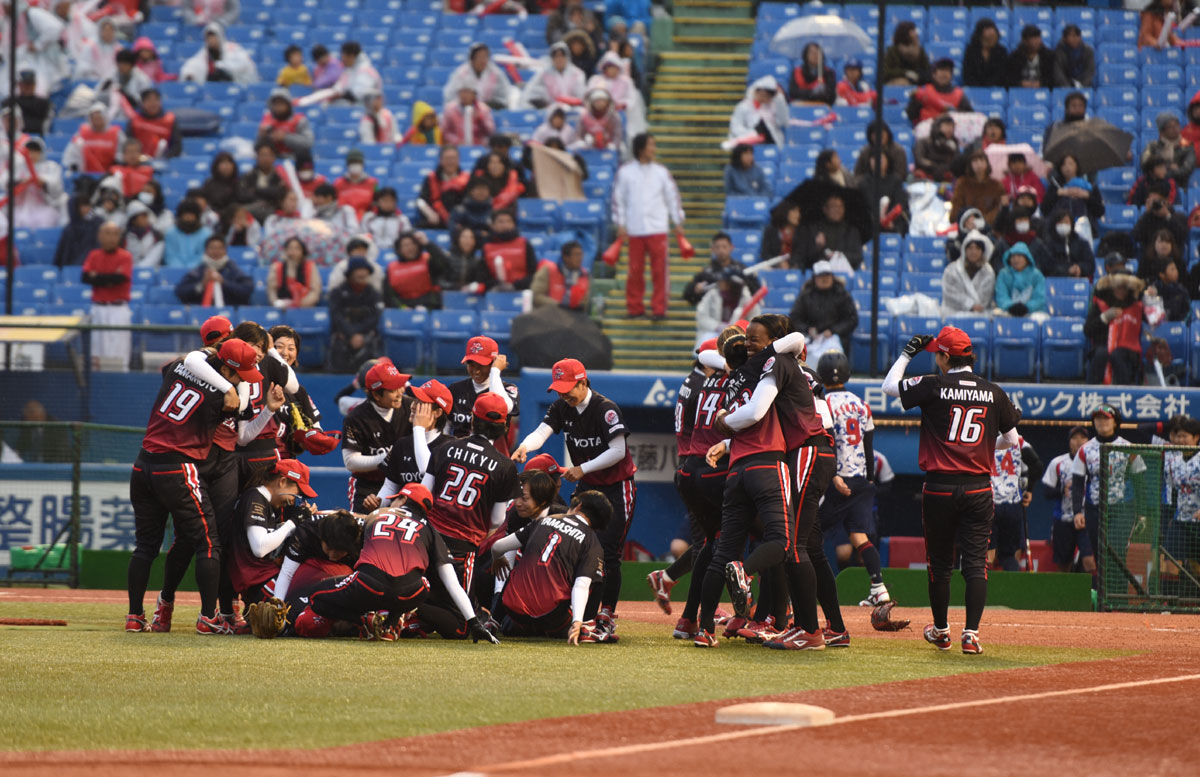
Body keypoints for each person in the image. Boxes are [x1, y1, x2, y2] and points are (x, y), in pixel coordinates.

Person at [882, 325, 1019, 653]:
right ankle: (970, 634)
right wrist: (985, 445)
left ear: (945, 356)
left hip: (940, 487)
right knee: (975, 564)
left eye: (938, 355)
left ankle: (942, 630)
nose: (936, 360)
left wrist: (906, 354)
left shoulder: (934, 384)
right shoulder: (994, 391)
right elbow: (1011, 441)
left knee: (940, 564)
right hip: (977, 488)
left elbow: (888, 387)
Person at [125, 339, 257, 634]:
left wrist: (229, 380)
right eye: (241, 375)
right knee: (208, 543)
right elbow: (244, 410)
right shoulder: (223, 398)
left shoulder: (177, 369)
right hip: (177, 467)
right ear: (226, 368)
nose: (244, 381)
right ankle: (208, 617)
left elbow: (193, 359)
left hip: (142, 464)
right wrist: (230, 388)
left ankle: (135, 616)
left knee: (145, 546)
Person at [512, 359, 638, 642]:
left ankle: (605, 615)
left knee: (609, 553)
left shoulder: (605, 409)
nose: (563, 395)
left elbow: (618, 451)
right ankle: (576, 613)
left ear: (584, 382)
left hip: (617, 488)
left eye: (568, 388)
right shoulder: (561, 408)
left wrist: (583, 467)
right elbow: (542, 432)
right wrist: (524, 446)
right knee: (573, 544)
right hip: (587, 485)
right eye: (558, 389)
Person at [291, 486, 499, 644]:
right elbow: (453, 582)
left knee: (316, 595)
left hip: (369, 583)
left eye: (395, 498)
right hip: (411, 591)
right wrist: (473, 622)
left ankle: (364, 619)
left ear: (403, 499)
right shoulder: (430, 530)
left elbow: (343, 521)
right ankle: (390, 623)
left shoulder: (376, 515)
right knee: (423, 583)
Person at [815, 351, 890, 605]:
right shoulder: (861, 404)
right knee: (860, 538)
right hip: (860, 481)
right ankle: (879, 588)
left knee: (807, 533)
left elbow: (826, 444)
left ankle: (797, 592)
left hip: (835, 481)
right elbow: (869, 446)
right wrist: (869, 479)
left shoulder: (823, 403)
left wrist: (833, 476)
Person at [489, 489, 609, 643]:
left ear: (578, 506)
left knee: (517, 570)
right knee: (598, 572)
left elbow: (497, 547)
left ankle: (494, 622)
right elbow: (581, 585)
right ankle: (586, 627)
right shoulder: (593, 543)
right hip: (552, 618)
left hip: (516, 613)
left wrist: (497, 559)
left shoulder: (542, 521)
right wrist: (577, 621)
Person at [1071, 406, 1146, 592]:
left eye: (1106, 419)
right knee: (1100, 553)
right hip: (1094, 507)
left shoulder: (1128, 447)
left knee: (1116, 550)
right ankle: (1104, 598)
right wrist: (1077, 511)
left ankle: (1117, 595)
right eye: (1098, 419)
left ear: (1115, 422)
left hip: (1122, 507)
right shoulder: (1085, 450)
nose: (1102, 423)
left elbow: (1140, 482)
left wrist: (1143, 513)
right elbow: (1078, 482)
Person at [613, 133, 685, 320]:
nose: (654, 149)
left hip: (657, 228)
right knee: (634, 271)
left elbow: (672, 197)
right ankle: (635, 307)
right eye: (651, 145)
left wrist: (677, 220)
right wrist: (620, 223)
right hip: (635, 229)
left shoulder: (661, 172)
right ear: (641, 149)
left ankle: (659, 308)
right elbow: (618, 200)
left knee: (659, 271)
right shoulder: (625, 172)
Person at [228, 458, 315, 604]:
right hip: (257, 579)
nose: (293, 501)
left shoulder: (269, 503)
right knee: (308, 600)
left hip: (265, 576)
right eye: (296, 493)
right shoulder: (255, 499)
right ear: (282, 482)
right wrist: (294, 522)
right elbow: (260, 548)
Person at [341, 360, 412, 512]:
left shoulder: (411, 407)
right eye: (393, 389)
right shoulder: (356, 418)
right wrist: (389, 458)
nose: (401, 392)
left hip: (404, 483)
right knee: (362, 529)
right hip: (368, 486)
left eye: (400, 386)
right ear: (376, 394)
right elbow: (351, 462)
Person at [1084, 271, 1164, 385]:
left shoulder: (1137, 305)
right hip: (1103, 345)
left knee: (1118, 355)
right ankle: (1090, 392)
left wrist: (1152, 299)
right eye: (1118, 287)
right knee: (1101, 354)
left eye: (1125, 288)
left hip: (1129, 349)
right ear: (1112, 287)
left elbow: (1155, 320)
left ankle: (1125, 393)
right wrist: (1104, 318)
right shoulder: (1101, 304)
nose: (1122, 291)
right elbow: (1087, 330)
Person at [81, 221, 133, 370]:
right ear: (100, 236)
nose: (112, 238)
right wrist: (109, 278)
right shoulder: (94, 255)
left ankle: (119, 380)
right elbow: (85, 277)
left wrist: (97, 277)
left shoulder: (125, 256)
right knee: (96, 350)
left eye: (115, 234)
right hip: (99, 307)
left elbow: (120, 278)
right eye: (108, 233)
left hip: (118, 309)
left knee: (119, 350)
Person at [1042, 426, 1090, 572]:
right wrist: (1062, 490)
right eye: (1074, 438)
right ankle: (1065, 594)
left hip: (1087, 520)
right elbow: (1047, 491)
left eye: (1082, 438)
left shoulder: (1095, 461)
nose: (1078, 442)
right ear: (1069, 441)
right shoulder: (1058, 463)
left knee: (1090, 562)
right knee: (1063, 564)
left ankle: (1090, 593)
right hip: (1064, 520)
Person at [789, 260, 858, 359]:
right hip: (811, 338)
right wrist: (808, 329)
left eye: (827, 275)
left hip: (836, 338)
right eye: (821, 276)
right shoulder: (806, 295)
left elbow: (852, 319)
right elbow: (795, 318)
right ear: (815, 278)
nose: (824, 279)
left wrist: (833, 331)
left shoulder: (841, 294)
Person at [328, 257, 385, 374]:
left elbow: (375, 317)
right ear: (350, 274)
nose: (362, 273)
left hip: (366, 337)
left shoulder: (373, 293)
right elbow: (336, 315)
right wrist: (351, 334)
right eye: (358, 270)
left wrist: (359, 335)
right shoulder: (338, 292)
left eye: (365, 270)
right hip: (343, 337)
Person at [174, 235, 253, 306]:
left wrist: (224, 282)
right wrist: (202, 284)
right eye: (212, 248)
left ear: (225, 251)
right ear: (206, 250)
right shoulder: (198, 271)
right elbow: (180, 292)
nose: (216, 251)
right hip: (202, 314)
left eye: (219, 248)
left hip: (229, 312)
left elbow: (247, 290)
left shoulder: (234, 269)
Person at [683, 232, 757, 306]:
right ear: (712, 249)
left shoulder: (740, 270)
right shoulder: (706, 273)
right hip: (712, 312)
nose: (721, 250)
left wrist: (744, 284)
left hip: (737, 310)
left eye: (724, 247)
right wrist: (695, 290)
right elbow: (688, 296)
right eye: (717, 247)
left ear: (731, 247)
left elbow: (756, 291)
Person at [796, 193, 863, 272]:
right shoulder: (813, 229)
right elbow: (803, 257)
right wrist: (817, 248)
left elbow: (858, 256)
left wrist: (838, 255)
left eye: (840, 206)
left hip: (843, 272)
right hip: (818, 273)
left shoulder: (851, 231)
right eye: (834, 207)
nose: (838, 210)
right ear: (825, 209)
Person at [1041, 154, 1104, 236]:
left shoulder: (1089, 186)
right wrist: (1059, 193)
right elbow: (1044, 209)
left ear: (1077, 166)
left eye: (1071, 164)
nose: (1067, 167)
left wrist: (1087, 196)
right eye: (1064, 164)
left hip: (1085, 229)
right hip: (1059, 229)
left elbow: (1099, 211)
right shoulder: (1055, 186)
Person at [386, 231, 449, 310]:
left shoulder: (427, 259)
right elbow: (389, 295)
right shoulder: (391, 267)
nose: (410, 248)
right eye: (405, 245)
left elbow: (444, 264)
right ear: (399, 249)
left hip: (430, 306)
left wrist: (427, 244)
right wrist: (402, 308)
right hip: (404, 309)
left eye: (413, 244)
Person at [695, 269, 759, 345]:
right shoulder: (712, 294)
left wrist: (739, 327)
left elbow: (754, 318)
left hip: (738, 333)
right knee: (705, 341)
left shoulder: (745, 297)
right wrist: (717, 326)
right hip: (715, 332)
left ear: (731, 283)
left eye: (723, 281)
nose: (720, 283)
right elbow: (702, 316)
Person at [180, 23, 259, 85]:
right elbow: (194, 64)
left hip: (235, 83)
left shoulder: (232, 48)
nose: (211, 40)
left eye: (213, 37)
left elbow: (244, 64)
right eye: (209, 38)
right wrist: (189, 73)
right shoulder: (205, 52)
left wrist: (220, 66)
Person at [942, 230, 996, 317]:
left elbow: (984, 300)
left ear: (982, 251)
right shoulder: (952, 269)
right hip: (954, 313)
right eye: (970, 248)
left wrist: (975, 307)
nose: (973, 252)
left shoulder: (989, 272)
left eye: (977, 248)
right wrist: (970, 305)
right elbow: (949, 293)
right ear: (965, 250)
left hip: (980, 316)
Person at [444, 43, 514, 110]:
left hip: (489, 110)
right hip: (464, 111)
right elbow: (449, 96)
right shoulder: (461, 73)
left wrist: (486, 106)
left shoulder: (496, 73)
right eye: (479, 57)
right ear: (472, 59)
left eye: (485, 56)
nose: (483, 60)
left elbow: (506, 95)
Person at [907, 58, 972, 126]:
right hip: (928, 128)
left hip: (951, 129)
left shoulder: (959, 94)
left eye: (947, 70)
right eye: (941, 70)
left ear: (951, 75)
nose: (944, 74)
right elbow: (911, 115)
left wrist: (953, 113)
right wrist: (915, 101)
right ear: (934, 74)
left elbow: (969, 115)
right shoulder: (924, 90)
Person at [521, 41, 586, 109]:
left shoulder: (577, 74)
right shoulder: (544, 73)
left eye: (562, 56)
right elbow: (529, 92)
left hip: (572, 111)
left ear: (567, 57)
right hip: (551, 112)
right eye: (556, 56)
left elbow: (580, 96)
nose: (559, 59)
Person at [858, 150, 909, 235]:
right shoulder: (863, 182)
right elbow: (861, 206)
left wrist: (889, 220)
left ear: (887, 160)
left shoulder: (895, 180)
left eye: (880, 158)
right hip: (870, 226)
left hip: (892, 223)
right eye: (874, 158)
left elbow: (900, 203)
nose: (877, 161)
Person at [63, 102, 123, 174]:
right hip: (86, 175)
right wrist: (74, 166)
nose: (96, 121)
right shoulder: (82, 133)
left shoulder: (116, 134)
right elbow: (72, 152)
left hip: (109, 174)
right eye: (94, 118)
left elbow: (121, 154)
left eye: (99, 118)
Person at [950, 151, 1006, 227]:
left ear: (987, 163)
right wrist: (967, 220)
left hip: (990, 226)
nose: (979, 164)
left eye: (982, 160)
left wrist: (985, 221)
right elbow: (957, 207)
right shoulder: (962, 183)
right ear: (970, 164)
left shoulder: (996, 185)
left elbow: (998, 207)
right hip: (967, 225)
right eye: (975, 161)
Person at [728, 76, 788, 147]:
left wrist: (780, 100)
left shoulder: (774, 106)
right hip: (748, 143)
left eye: (767, 96)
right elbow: (735, 127)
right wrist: (754, 134)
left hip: (770, 144)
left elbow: (782, 122)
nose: (764, 98)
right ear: (755, 91)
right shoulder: (743, 106)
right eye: (762, 95)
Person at [1142, 111, 1195, 190]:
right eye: (1170, 127)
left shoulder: (1187, 147)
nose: (1175, 129)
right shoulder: (1153, 147)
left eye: (1177, 125)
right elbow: (1145, 164)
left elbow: (1186, 170)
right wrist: (1168, 166)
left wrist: (1161, 171)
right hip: (1155, 187)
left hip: (1179, 187)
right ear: (1162, 132)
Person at [532, 239, 590, 311]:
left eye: (581, 254)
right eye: (576, 255)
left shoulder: (584, 275)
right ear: (566, 257)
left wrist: (581, 305)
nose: (580, 258)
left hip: (575, 316)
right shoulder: (548, 271)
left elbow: (586, 300)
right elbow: (535, 296)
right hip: (549, 314)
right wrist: (558, 305)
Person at [256, 88, 314, 158]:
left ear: (288, 104)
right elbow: (256, 147)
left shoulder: (299, 120)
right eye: (275, 104)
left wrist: (285, 137)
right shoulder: (267, 121)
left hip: (295, 160)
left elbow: (308, 143)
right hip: (272, 161)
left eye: (281, 103)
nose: (278, 107)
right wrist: (262, 137)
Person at [238, 142, 288, 223]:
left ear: (274, 158)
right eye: (263, 155)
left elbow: (278, 194)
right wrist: (266, 195)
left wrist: (256, 190)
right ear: (257, 157)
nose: (266, 158)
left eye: (269, 155)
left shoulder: (279, 177)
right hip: (251, 210)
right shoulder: (248, 176)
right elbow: (242, 195)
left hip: (272, 212)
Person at [994, 243, 1047, 319]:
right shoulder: (1003, 274)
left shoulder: (1037, 275)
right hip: (1008, 311)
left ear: (1027, 258)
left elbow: (1040, 298)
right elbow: (1001, 296)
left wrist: (1027, 307)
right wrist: (1011, 306)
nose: (1016, 259)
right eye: (1013, 256)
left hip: (1032, 312)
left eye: (1019, 256)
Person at [1133, 185, 1189, 255]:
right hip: (1151, 260)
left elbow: (1182, 236)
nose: (1156, 204)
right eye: (1153, 202)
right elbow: (1136, 236)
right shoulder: (1147, 219)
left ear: (1166, 201)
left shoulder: (1178, 217)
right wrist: (1146, 214)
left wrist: (1168, 216)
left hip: (1173, 259)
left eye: (1158, 201)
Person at [267, 237, 321, 309]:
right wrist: (278, 303)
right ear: (285, 250)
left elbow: (314, 293)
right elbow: (272, 291)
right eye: (290, 248)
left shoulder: (310, 267)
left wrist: (298, 304)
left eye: (297, 248)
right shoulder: (276, 267)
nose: (293, 252)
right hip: (282, 307)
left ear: (302, 251)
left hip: (304, 308)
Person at [127, 88, 180, 160]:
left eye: (156, 100)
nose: (153, 103)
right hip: (138, 161)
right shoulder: (134, 121)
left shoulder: (170, 120)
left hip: (163, 160)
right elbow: (129, 143)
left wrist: (164, 159)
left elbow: (177, 146)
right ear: (142, 103)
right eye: (149, 100)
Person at [1043, 208, 1095, 279]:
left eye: (1066, 222)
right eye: (1060, 222)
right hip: (1056, 281)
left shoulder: (1082, 243)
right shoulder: (1048, 244)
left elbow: (1090, 264)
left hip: (1079, 280)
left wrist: (1080, 268)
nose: (1063, 225)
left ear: (1071, 224)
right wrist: (1067, 270)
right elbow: (1048, 266)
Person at [162, 199, 212, 268]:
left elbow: (204, 255)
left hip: (198, 271)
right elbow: (170, 255)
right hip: (175, 270)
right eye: (185, 214)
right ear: (180, 215)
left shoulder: (206, 234)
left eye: (191, 214)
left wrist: (192, 268)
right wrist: (180, 269)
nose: (188, 217)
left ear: (197, 216)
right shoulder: (171, 233)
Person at [572, 87, 622, 152]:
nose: (600, 104)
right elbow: (578, 135)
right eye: (597, 101)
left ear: (608, 103)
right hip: (589, 148)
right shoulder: (584, 116)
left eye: (603, 101)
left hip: (608, 148)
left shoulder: (613, 117)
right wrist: (582, 142)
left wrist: (614, 145)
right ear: (592, 103)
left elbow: (617, 135)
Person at [881, 21, 930, 86]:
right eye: (912, 31)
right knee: (902, 82)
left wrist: (918, 75)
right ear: (904, 33)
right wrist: (905, 73)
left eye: (915, 31)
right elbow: (886, 73)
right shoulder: (892, 51)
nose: (916, 34)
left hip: (917, 82)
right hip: (896, 83)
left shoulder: (920, 50)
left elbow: (926, 68)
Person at [963, 18, 1008, 88]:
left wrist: (988, 88)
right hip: (974, 88)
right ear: (980, 36)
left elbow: (1002, 74)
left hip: (995, 88)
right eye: (989, 37)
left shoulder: (1001, 51)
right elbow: (967, 74)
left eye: (994, 36)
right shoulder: (971, 50)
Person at [913, 114, 959, 182]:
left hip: (946, 175)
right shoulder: (923, 142)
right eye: (947, 125)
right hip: (927, 175)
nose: (950, 129)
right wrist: (935, 166)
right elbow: (920, 160)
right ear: (937, 126)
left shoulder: (953, 143)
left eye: (952, 126)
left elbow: (956, 162)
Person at [123, 200, 163, 267]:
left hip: (150, 271)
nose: (146, 218)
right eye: (143, 215)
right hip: (129, 271)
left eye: (146, 215)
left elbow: (155, 258)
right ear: (133, 219)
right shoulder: (124, 236)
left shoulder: (157, 235)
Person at [760, 200, 802, 265]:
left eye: (798, 211)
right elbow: (765, 254)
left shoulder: (801, 232)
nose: (798, 215)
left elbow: (801, 256)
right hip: (774, 266)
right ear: (785, 212)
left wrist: (789, 263)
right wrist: (779, 262)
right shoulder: (771, 230)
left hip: (793, 268)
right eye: (794, 211)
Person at [13, 70, 53, 135]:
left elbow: (45, 125)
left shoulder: (43, 103)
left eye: (30, 84)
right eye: (26, 84)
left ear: (35, 84)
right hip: (15, 138)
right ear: (19, 84)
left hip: (38, 138)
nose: (28, 87)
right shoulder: (11, 102)